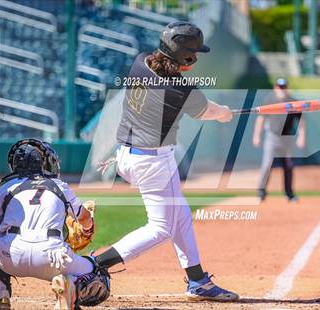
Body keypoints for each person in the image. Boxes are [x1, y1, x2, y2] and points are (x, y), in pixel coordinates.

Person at [95, 21, 239, 301]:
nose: (196, 59)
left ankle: (198, 280)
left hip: (126, 155)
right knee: (161, 229)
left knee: (180, 215)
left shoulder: (140, 62)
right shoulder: (181, 90)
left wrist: (216, 110)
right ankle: (93, 266)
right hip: (152, 163)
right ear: (185, 57)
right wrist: (224, 113)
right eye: (194, 54)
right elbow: (207, 111)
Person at [0, 139, 110, 310]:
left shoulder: (5, 188)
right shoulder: (59, 186)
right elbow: (85, 218)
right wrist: (87, 229)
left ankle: (1, 295)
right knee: (97, 271)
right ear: (44, 163)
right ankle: (71, 286)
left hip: (9, 258)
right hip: (52, 258)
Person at [252, 78, 305, 202]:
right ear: (275, 88)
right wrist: (256, 135)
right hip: (272, 136)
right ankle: (261, 191)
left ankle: (289, 193)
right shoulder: (270, 100)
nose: (282, 89)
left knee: (288, 166)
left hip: (287, 137)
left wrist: (302, 136)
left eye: (284, 87)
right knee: (266, 164)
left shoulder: (293, 102)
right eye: (280, 87)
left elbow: (301, 120)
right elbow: (260, 118)